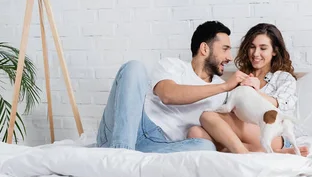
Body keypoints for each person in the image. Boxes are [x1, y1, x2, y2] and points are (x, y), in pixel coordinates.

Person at [96, 20, 248, 153]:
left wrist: (251, 88)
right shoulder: (172, 65)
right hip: (133, 125)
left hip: (159, 143)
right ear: (204, 49)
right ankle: (120, 153)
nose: (229, 57)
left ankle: (127, 156)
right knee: (134, 67)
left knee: (205, 147)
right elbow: (168, 95)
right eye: (225, 49)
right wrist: (225, 86)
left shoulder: (224, 91)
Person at [192, 23, 308, 156]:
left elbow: (279, 105)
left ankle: (244, 153)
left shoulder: (283, 78)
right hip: (243, 134)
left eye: (263, 48)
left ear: (274, 51)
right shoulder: (240, 77)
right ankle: (269, 152)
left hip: (273, 134)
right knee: (195, 132)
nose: (256, 53)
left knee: (207, 116)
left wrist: (255, 92)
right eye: (252, 47)